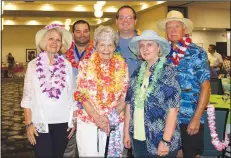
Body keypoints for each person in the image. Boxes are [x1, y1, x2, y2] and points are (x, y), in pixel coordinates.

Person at [157, 10, 211, 158]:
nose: (172, 30)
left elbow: (205, 87)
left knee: (191, 155)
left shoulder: (197, 52)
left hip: (189, 117)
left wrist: (196, 118)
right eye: (169, 27)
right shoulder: (163, 55)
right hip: (168, 118)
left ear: (184, 29)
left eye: (177, 26)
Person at [21, 23, 77, 158]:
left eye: (58, 40)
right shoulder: (33, 65)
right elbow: (27, 97)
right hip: (40, 122)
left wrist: (73, 120)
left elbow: (73, 95)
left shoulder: (67, 65)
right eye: (51, 38)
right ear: (44, 41)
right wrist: (29, 124)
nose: (54, 42)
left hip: (63, 123)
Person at [123, 30, 181, 158]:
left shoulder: (168, 71)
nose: (145, 48)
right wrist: (126, 132)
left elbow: (174, 109)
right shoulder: (137, 72)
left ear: (158, 48)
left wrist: (166, 141)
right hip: (138, 137)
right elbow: (128, 104)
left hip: (160, 139)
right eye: (142, 45)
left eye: (149, 44)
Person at [74, 25, 129, 157]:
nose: (106, 49)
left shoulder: (122, 65)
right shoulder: (85, 64)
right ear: (96, 46)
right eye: (102, 45)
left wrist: (110, 117)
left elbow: (125, 95)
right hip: (89, 121)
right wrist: (98, 118)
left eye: (110, 45)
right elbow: (81, 95)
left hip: (114, 121)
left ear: (115, 47)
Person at [64, 20, 93, 158]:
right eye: (78, 31)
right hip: (68, 106)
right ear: (73, 33)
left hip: (90, 107)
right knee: (68, 146)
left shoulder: (98, 52)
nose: (82, 35)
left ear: (90, 32)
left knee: (88, 147)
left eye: (85, 31)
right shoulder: (63, 53)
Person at [115, 5, 141, 77]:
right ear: (116, 21)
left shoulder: (144, 43)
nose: (125, 21)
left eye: (129, 18)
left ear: (135, 21)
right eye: (121, 18)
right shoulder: (109, 43)